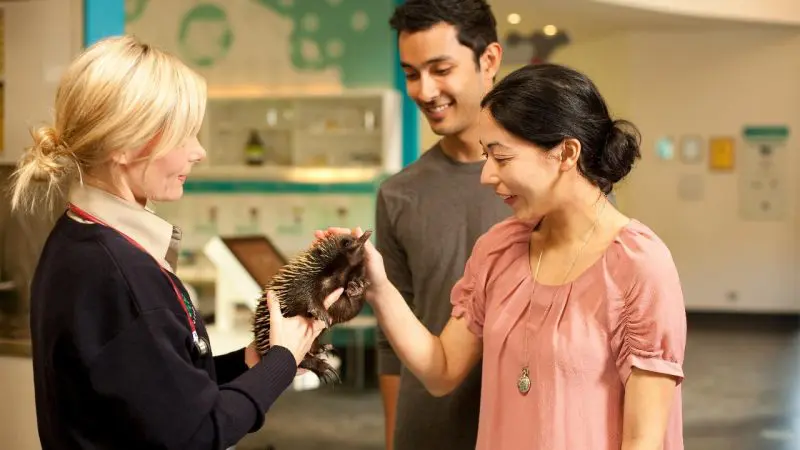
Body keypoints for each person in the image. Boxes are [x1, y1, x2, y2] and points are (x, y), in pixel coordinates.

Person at [320, 63, 687, 450]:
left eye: (501, 157)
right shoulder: (500, 249)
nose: (486, 175)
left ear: (565, 153)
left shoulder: (639, 266)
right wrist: (377, 286)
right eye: (485, 156)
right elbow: (440, 369)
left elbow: (643, 439)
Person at [11, 35, 342, 450]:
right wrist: (280, 362)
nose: (199, 151)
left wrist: (253, 361)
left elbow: (158, 393)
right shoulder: (118, 274)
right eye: (185, 135)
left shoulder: (78, 240)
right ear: (125, 145)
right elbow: (198, 433)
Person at [375, 1, 508, 449]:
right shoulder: (398, 195)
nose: (425, 90)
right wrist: (397, 438)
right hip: (427, 429)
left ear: (488, 59)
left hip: (523, 426)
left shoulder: (555, 180)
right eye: (411, 73)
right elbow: (392, 341)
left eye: (440, 69)